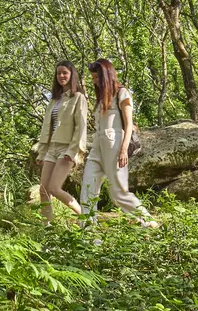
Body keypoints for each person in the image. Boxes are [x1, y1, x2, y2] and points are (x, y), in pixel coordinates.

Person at [80, 58, 158, 228]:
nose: (95, 81)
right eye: (93, 78)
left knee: (118, 193)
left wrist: (123, 150)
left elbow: (129, 124)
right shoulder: (101, 98)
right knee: (88, 188)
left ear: (107, 75)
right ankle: (88, 233)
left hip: (114, 143)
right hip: (97, 145)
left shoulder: (122, 92)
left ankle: (148, 222)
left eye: (97, 78)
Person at [37, 60, 87, 221]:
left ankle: (87, 219)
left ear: (72, 75)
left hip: (67, 148)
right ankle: (48, 231)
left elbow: (81, 126)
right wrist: (41, 152)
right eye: (59, 73)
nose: (61, 76)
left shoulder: (78, 97)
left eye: (65, 73)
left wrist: (73, 151)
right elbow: (47, 127)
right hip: (51, 148)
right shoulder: (54, 100)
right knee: (43, 190)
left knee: (54, 188)